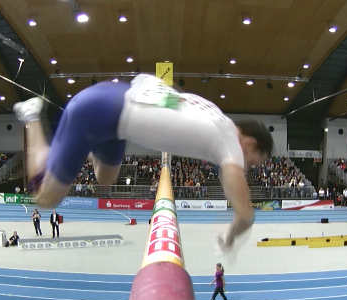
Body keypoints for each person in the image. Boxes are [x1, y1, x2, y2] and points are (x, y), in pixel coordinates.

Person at [14, 74, 273, 252]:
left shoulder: (213, 112)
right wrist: (228, 239)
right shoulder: (230, 143)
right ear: (250, 143)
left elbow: (173, 100)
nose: (247, 167)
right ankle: (31, 116)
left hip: (116, 104)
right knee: (44, 200)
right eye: (253, 162)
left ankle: (81, 146)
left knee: (105, 179)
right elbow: (246, 216)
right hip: (96, 112)